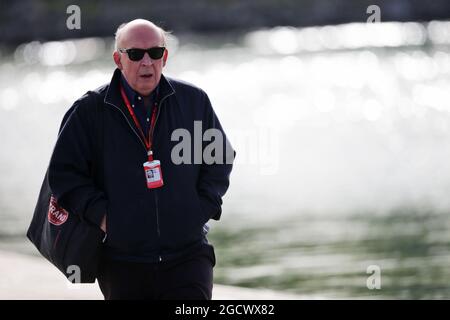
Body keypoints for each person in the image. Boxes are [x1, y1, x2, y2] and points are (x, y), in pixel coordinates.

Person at [47, 19, 234, 300]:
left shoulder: (194, 101)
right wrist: (104, 217)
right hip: (122, 262)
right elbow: (64, 175)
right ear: (118, 60)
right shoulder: (88, 111)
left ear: (165, 57)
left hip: (188, 256)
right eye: (135, 54)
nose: (147, 62)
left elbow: (219, 157)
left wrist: (201, 208)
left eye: (155, 53)